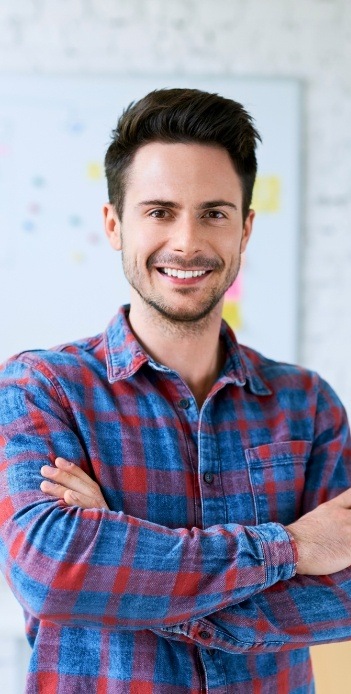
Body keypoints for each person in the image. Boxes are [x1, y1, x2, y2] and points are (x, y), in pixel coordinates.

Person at [1, 88, 351, 694]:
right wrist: (291, 548)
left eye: (213, 213)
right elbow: (52, 571)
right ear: (114, 224)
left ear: (245, 229)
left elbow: (345, 592)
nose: (187, 241)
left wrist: (123, 566)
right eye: (160, 211)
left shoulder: (307, 403)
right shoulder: (41, 388)